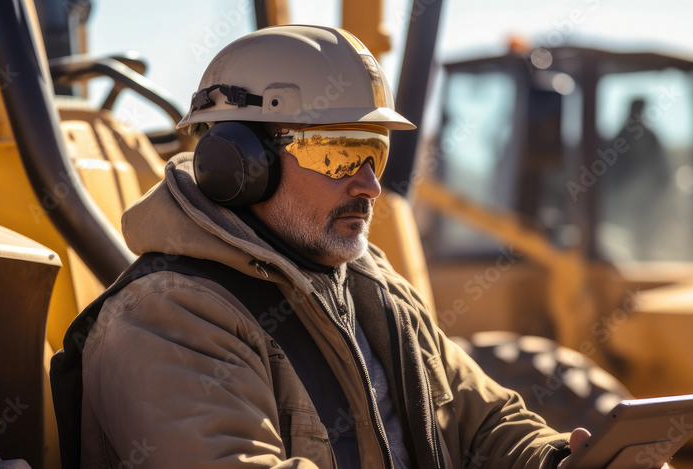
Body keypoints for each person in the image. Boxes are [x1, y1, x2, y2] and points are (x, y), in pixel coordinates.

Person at [76, 24, 589, 468]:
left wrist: (555, 459)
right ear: (240, 165)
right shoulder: (167, 317)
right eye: (340, 153)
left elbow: (482, 424)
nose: (370, 185)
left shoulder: (372, 286)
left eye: (375, 152)